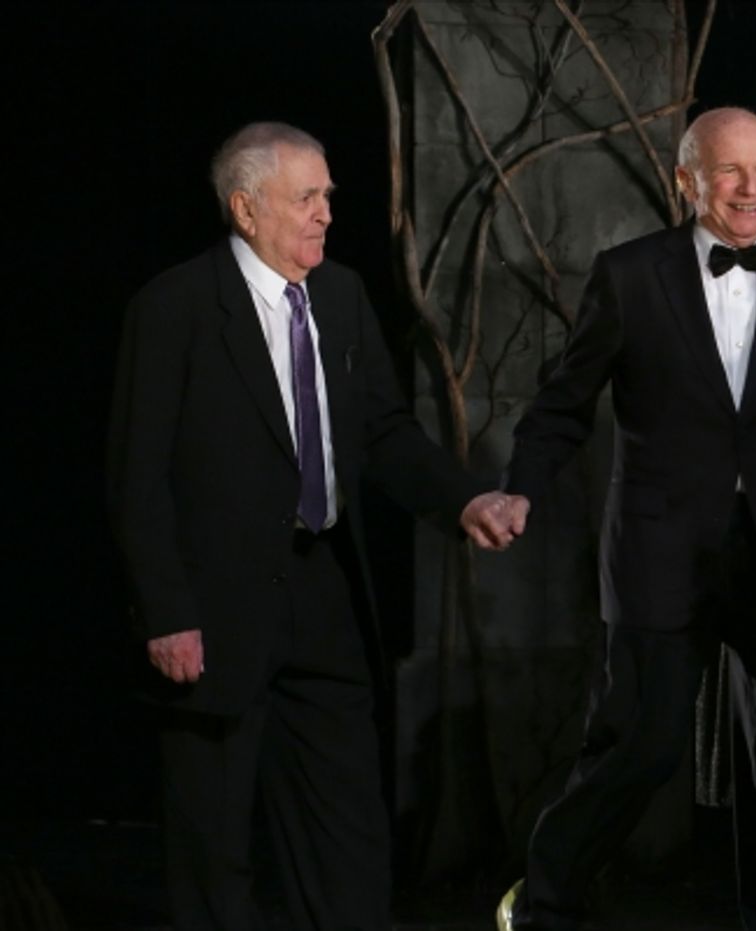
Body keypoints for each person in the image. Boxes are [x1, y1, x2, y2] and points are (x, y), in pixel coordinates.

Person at [108, 121, 509, 929]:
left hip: (326, 589)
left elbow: (386, 433)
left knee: (346, 827)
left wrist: (463, 499)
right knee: (215, 839)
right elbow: (134, 476)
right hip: (214, 610)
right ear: (246, 208)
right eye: (307, 197)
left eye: (328, 194)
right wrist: (167, 611)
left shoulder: (341, 295)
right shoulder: (176, 306)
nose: (327, 211)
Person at [468, 106, 756, 931]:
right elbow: (563, 404)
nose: (751, 190)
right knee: (640, 747)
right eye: (729, 172)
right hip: (659, 550)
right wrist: (520, 486)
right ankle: (541, 905)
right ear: (687, 182)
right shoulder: (628, 273)